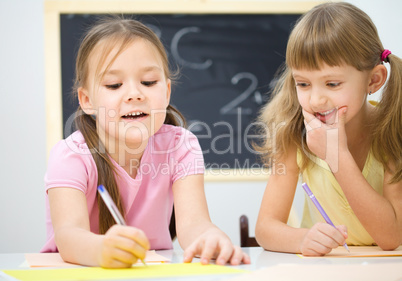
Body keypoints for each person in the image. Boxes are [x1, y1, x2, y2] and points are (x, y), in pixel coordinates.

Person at [41, 17, 250, 268]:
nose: (135, 94)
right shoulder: (70, 155)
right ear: (86, 100)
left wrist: (211, 239)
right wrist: (102, 249)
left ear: (167, 91)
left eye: (149, 82)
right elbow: (68, 236)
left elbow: (194, 224)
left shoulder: (182, 146)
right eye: (114, 85)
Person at [255, 2, 402, 256]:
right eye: (303, 84)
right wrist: (301, 239)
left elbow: (391, 237)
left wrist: (337, 155)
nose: (315, 101)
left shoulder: (392, 130)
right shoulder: (294, 134)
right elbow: (265, 228)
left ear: (374, 80)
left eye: (332, 84)